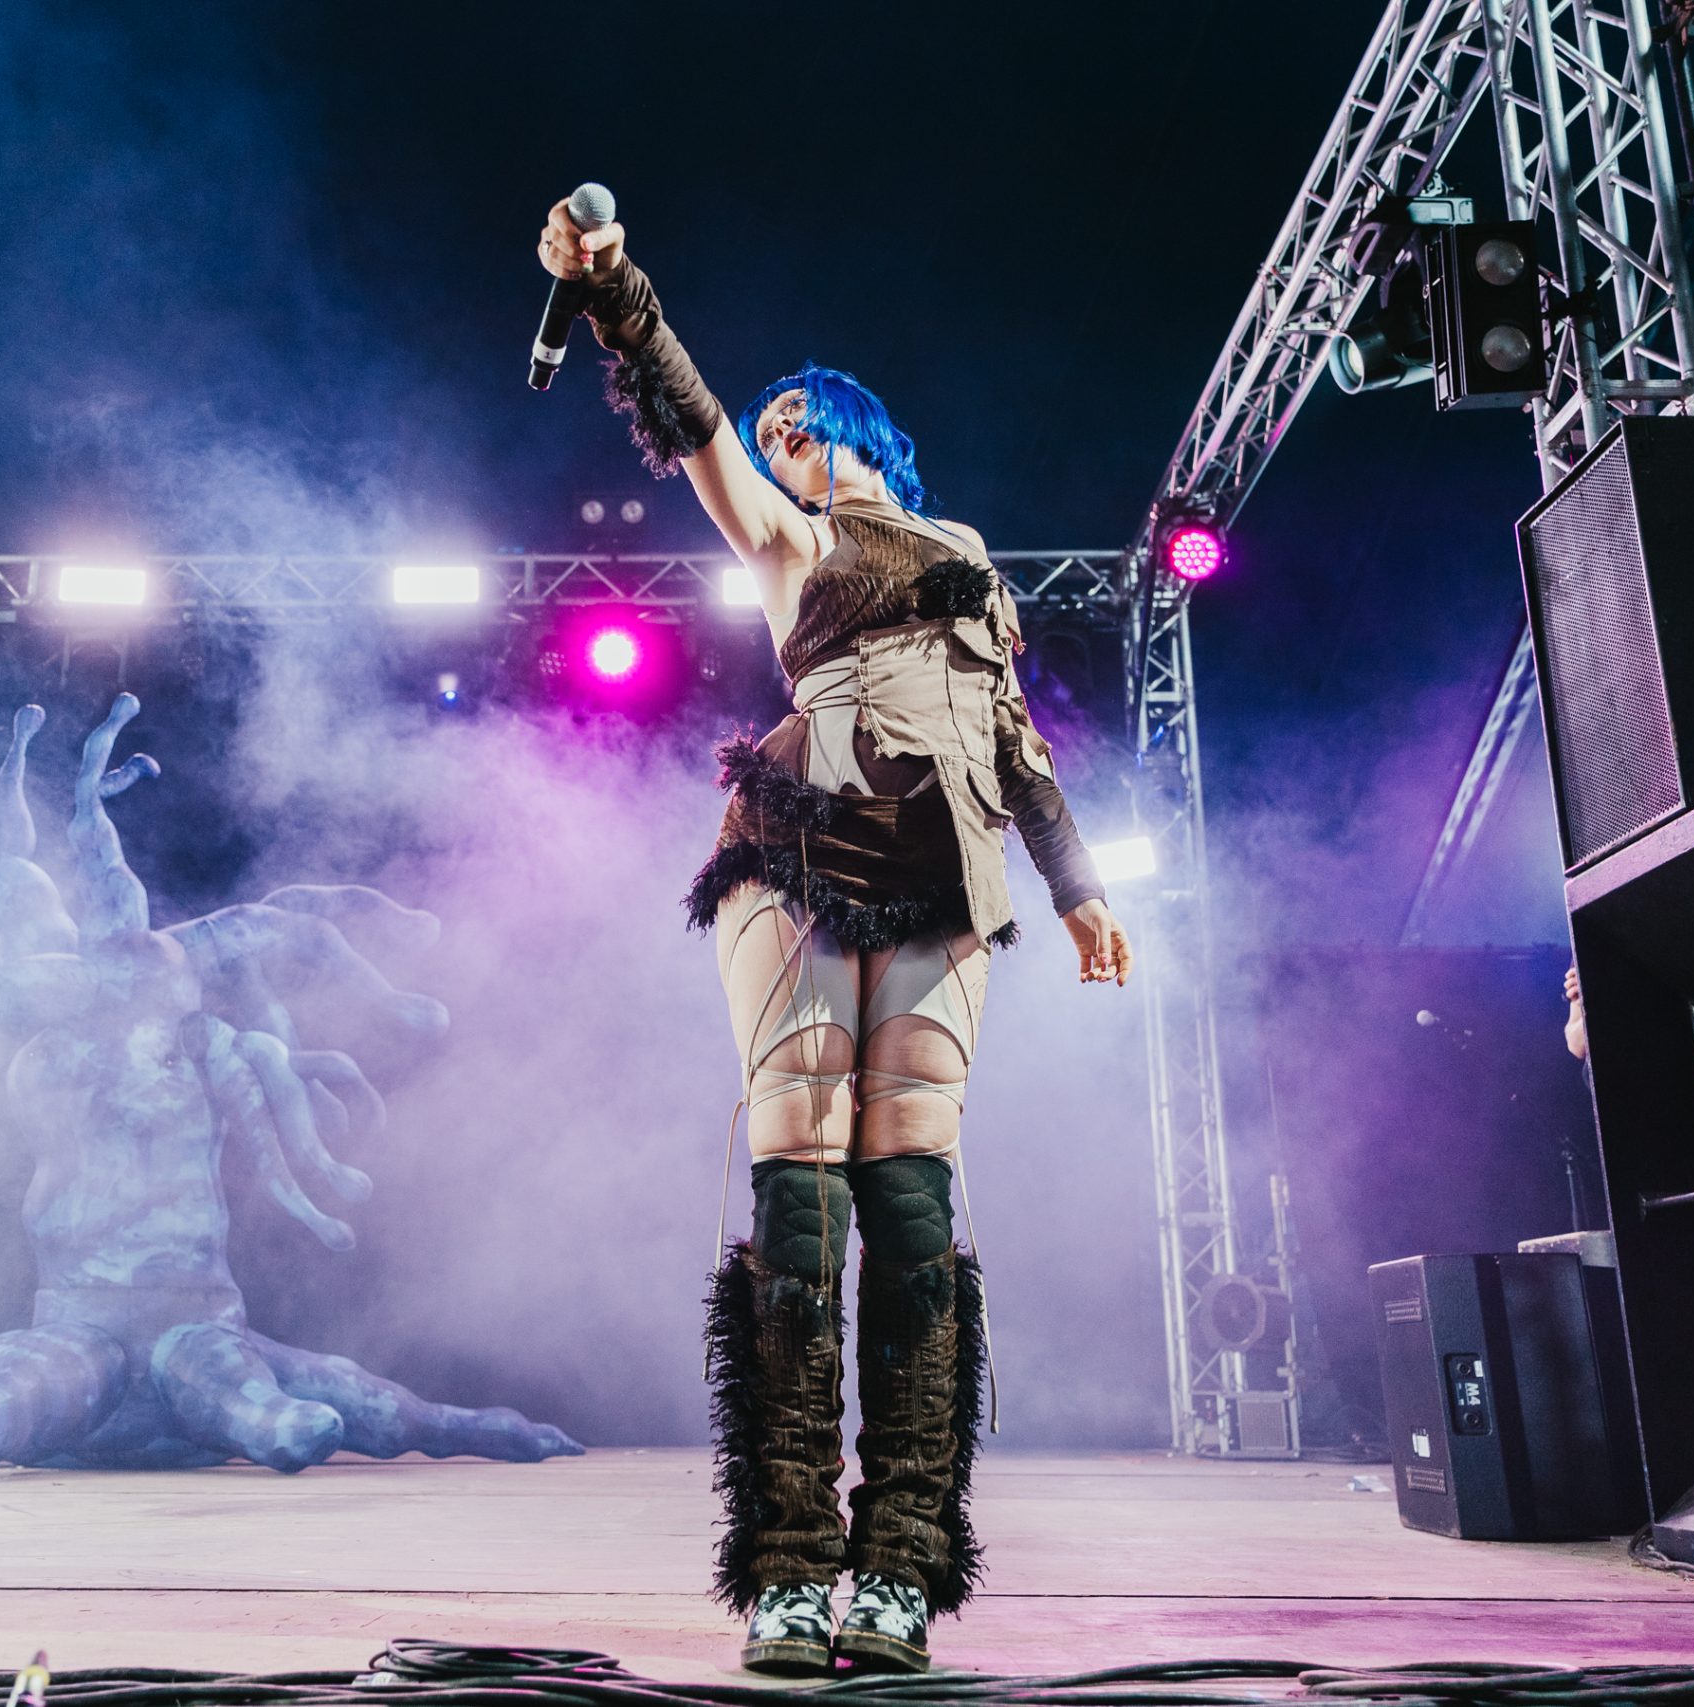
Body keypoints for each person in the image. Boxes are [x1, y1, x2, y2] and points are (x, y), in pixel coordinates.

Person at [539, 197, 1133, 1675]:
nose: (777, 435)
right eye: (771, 427)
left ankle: (903, 1564)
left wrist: (1077, 885)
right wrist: (619, 293)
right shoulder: (791, 541)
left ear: (858, 428)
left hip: (949, 869)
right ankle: (793, 1563)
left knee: (913, 1187)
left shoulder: (967, 555)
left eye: (798, 419)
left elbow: (1015, 738)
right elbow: (699, 437)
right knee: (799, 1167)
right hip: (802, 848)